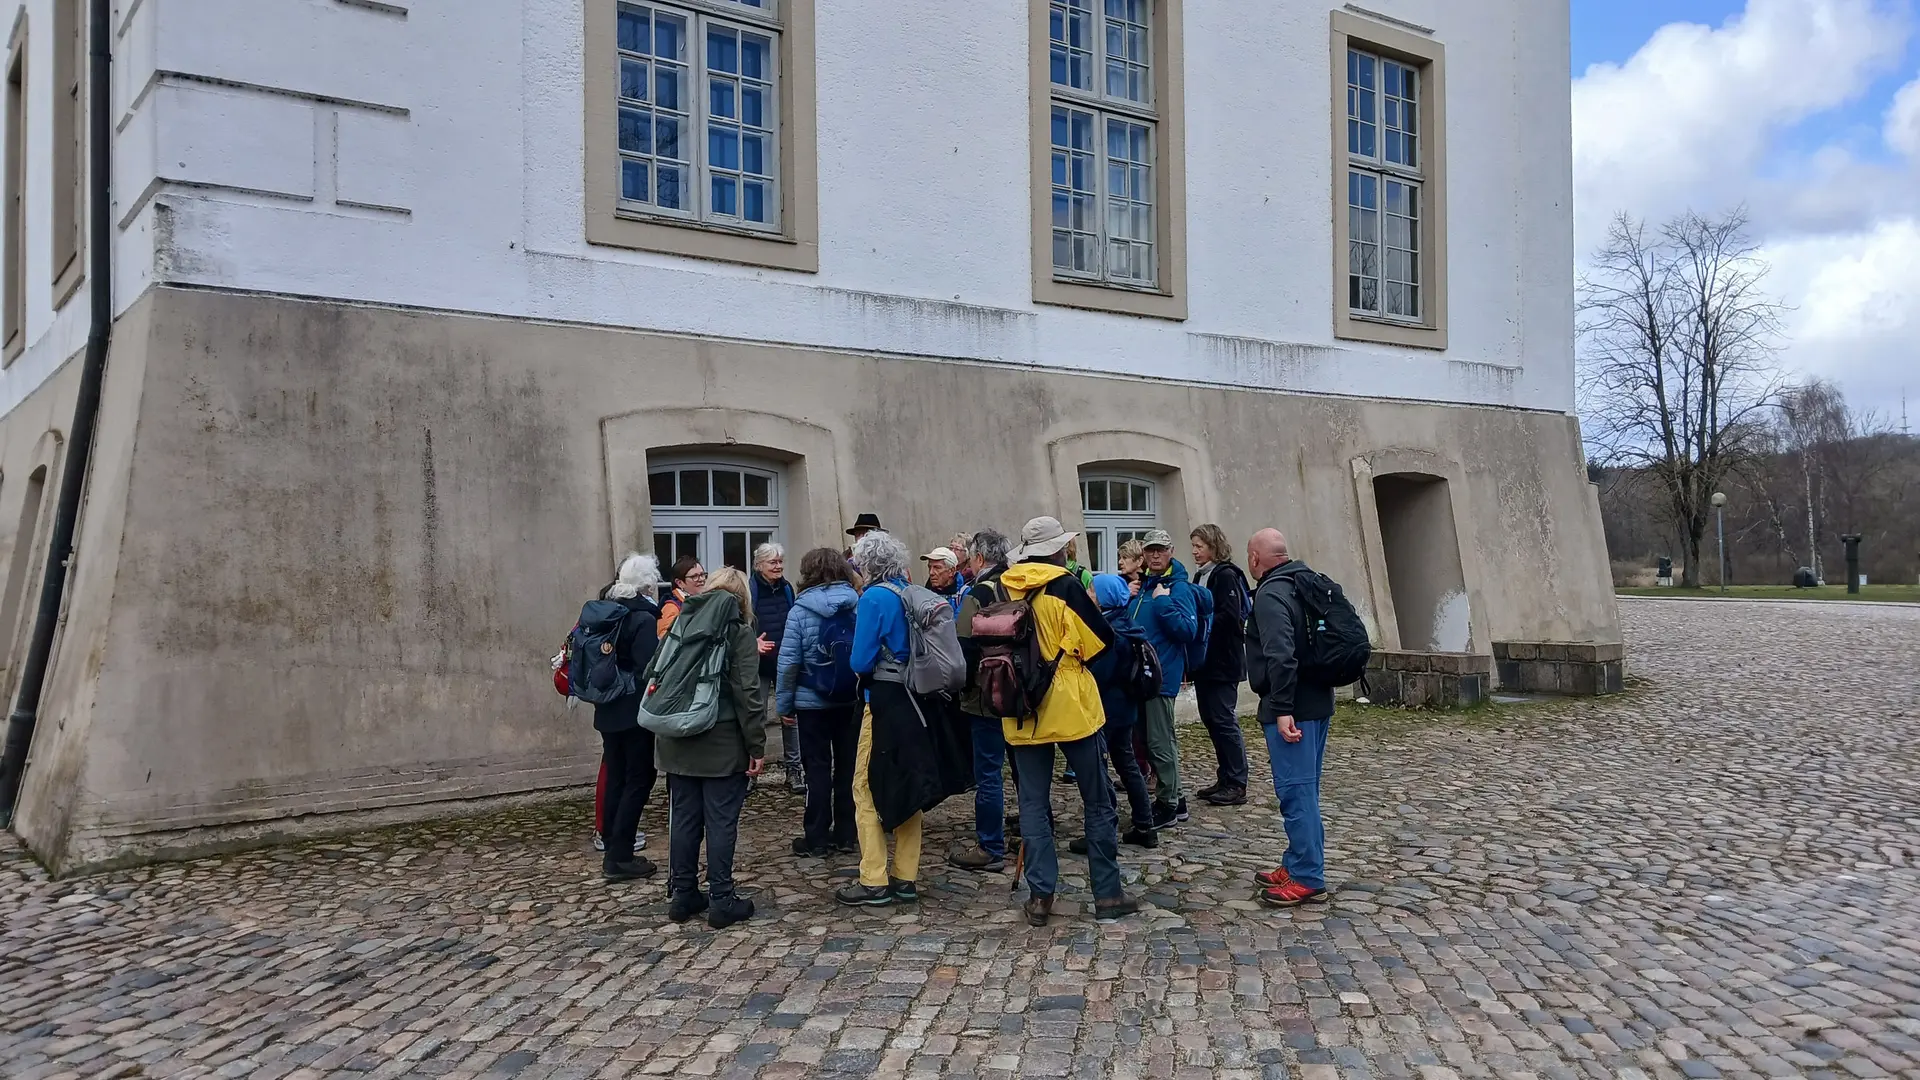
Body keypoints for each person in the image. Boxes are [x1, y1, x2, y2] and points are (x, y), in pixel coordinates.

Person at [997, 517, 1139, 926]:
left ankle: (1041, 896)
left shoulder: (1004, 585)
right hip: (1070, 703)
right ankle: (1107, 894)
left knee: (1033, 805)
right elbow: (1101, 640)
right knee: (1097, 799)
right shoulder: (1064, 585)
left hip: (1022, 705)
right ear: (1057, 550)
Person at [655, 566, 766, 928]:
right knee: (720, 822)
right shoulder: (739, 632)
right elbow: (748, 694)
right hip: (721, 742)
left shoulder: (681, 622)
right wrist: (756, 745)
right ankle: (721, 898)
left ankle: (683, 894)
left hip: (676, 738)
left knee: (684, 820)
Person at [837, 530, 939, 906]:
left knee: (864, 787)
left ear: (867, 564)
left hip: (882, 700)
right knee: (908, 785)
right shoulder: (910, 592)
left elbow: (860, 660)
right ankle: (905, 877)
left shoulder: (874, 597)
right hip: (916, 698)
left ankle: (873, 878)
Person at [1245, 529, 1336, 907]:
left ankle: (1308, 876)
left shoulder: (1271, 594)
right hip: (1318, 701)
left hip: (1293, 708)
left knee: (1296, 793)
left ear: (1255, 559)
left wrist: (1282, 710)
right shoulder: (1304, 582)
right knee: (1306, 791)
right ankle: (1297, 861)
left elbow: (1281, 655)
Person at [775, 548, 863, 857]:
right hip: (850, 697)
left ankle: (817, 836)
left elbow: (788, 663)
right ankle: (847, 833)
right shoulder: (857, 604)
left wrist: (784, 705)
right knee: (848, 768)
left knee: (816, 769)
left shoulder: (800, 610)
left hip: (811, 700)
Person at [591, 553, 663, 881]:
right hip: (634, 711)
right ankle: (620, 854)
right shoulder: (642, 618)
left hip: (607, 708)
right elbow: (649, 670)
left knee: (617, 777)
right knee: (639, 778)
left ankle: (612, 849)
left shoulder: (607, 611)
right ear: (647, 585)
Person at [1075, 573, 1157, 851]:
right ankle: (1144, 825)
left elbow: (1099, 675)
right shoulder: (1125, 623)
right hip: (1124, 708)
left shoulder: (1111, 632)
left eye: (1092, 590)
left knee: (1099, 768)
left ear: (1104, 598)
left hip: (1107, 710)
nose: (1088, 594)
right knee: (1127, 764)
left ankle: (1103, 831)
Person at [948, 528, 1013, 872]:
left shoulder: (978, 594)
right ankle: (1035, 831)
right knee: (1026, 769)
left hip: (987, 693)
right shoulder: (1020, 585)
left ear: (978, 557)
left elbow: (964, 649)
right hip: (1023, 690)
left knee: (988, 772)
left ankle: (990, 845)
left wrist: (959, 688)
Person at [1129, 530, 1198, 830]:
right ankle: (1176, 799)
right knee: (1148, 740)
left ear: (1171, 551)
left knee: (1160, 741)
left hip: (1161, 676)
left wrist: (1162, 603)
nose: (1155, 555)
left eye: (1160, 550)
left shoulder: (1177, 588)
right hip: (1140, 676)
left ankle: (1167, 804)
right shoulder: (1143, 585)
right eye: (1150, 550)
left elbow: (1187, 630)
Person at [1190, 524, 1252, 807]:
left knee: (1223, 719)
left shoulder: (1225, 575)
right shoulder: (1201, 575)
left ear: (1213, 547)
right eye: (1193, 546)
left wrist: (1200, 622)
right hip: (1206, 662)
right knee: (1211, 719)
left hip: (1223, 660)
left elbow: (1229, 616)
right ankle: (1225, 776)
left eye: (1199, 546)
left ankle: (1237, 781)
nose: (1195, 551)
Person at [750, 544, 805, 793]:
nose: (778, 566)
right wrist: (752, 644)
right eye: (773, 562)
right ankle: (752, 771)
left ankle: (794, 770)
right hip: (758, 663)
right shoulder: (750, 590)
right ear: (759, 565)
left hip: (785, 662)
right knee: (756, 717)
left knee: (790, 717)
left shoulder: (786, 588)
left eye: (780, 561)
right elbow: (742, 625)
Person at [657, 557, 707, 639]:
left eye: (702, 575)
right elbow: (665, 640)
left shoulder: (702, 601)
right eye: (694, 576)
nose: (701, 579)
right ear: (679, 583)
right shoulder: (672, 607)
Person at [922, 546, 965, 615]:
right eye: (929, 567)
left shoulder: (964, 594)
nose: (931, 572)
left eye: (937, 568)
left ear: (951, 571)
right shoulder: (925, 595)